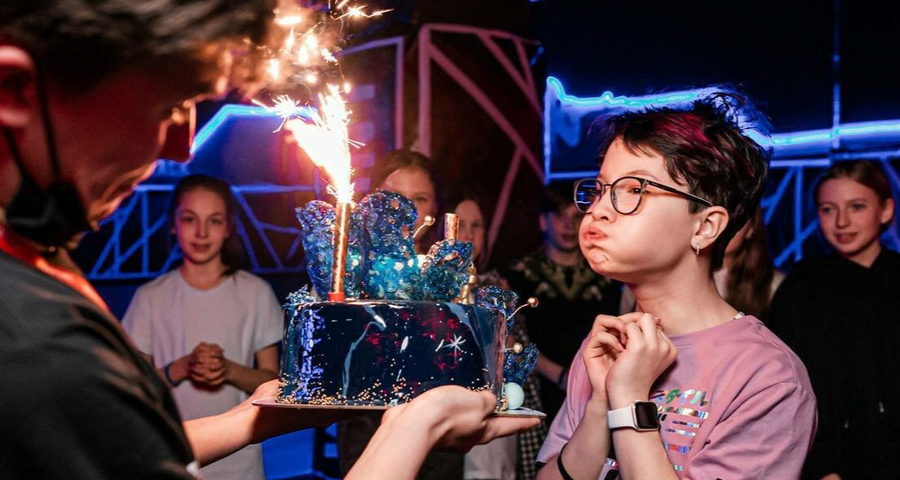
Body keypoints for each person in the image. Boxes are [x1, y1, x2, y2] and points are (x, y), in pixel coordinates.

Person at [0, 2, 537, 478]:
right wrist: (415, 427)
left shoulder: (35, 274)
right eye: (167, 108)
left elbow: (118, 452)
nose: (181, 147)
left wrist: (252, 418)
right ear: (13, 89)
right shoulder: (30, 335)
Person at [535, 94, 816, 480]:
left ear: (705, 227)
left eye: (635, 190)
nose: (599, 209)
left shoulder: (766, 376)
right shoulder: (606, 346)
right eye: (600, 189)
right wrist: (600, 403)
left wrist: (629, 399)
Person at [122, 174, 282, 480]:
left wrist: (228, 370)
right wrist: (180, 368)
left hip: (241, 464)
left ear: (228, 227)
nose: (201, 232)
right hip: (172, 458)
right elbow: (134, 388)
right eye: (190, 219)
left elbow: (272, 381)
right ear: (173, 224)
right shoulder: (150, 297)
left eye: (214, 220)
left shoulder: (255, 293)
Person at [768, 160, 899, 480]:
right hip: (832, 465)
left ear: (885, 210)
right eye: (828, 209)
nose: (842, 221)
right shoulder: (802, 287)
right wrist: (821, 466)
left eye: (857, 207)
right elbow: (786, 383)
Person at [338, 148, 462, 479]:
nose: (405, 210)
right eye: (392, 197)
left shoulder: (448, 276)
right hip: (366, 419)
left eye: (419, 199)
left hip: (439, 422)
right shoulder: (350, 271)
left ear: (435, 207)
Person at [505, 183, 623, 420]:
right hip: (536, 392)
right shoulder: (518, 275)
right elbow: (509, 340)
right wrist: (560, 376)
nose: (569, 225)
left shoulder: (608, 276)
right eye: (560, 216)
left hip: (597, 390)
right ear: (543, 221)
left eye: (577, 217)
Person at [453, 192, 548, 480]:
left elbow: (518, 356)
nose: (469, 235)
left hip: (495, 412)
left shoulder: (498, 289)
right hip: (451, 412)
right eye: (460, 224)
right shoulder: (433, 290)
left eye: (477, 225)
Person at [713, 207, 784, 319]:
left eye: (734, 218)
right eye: (717, 216)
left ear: (751, 229)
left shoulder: (774, 286)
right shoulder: (687, 278)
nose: (723, 228)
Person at [369, 149, 442, 254]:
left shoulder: (448, 264)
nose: (407, 212)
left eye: (420, 199)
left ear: (434, 207)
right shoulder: (348, 262)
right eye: (395, 197)